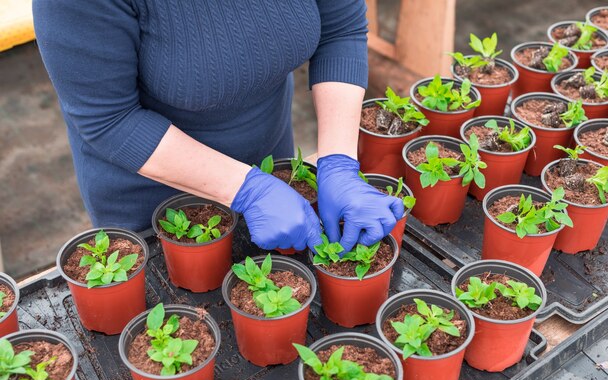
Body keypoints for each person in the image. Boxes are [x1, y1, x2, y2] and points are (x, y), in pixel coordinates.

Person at [33, 0, 404, 253]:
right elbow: (109, 119)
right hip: (157, 191)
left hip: (269, 156)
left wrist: (338, 162)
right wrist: (249, 191)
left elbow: (341, 30)